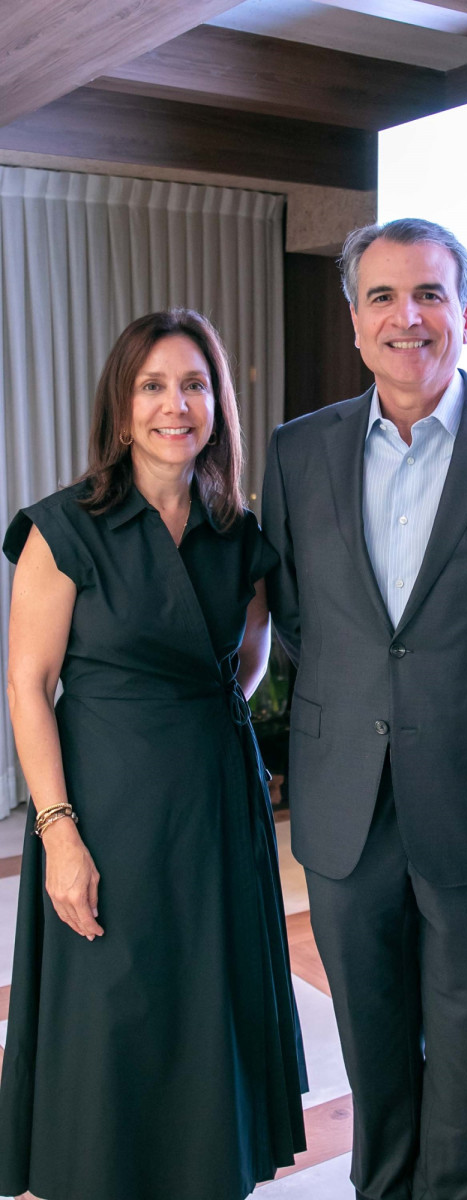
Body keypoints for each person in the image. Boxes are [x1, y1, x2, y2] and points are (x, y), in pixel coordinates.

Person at [262, 217, 467, 1200]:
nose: (406, 316)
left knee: (463, 1041)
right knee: (370, 1039)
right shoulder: (295, 451)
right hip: (341, 798)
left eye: (429, 294)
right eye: (382, 297)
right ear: (355, 323)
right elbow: (295, 615)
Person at [0, 310, 307, 1200]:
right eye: (154, 386)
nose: (177, 405)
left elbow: (245, 668)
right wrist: (57, 834)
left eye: (196, 385)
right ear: (122, 405)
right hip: (108, 810)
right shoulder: (65, 529)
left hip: (214, 809)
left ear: (218, 404)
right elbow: (28, 685)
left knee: (205, 1011)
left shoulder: (236, 532)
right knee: (114, 1015)